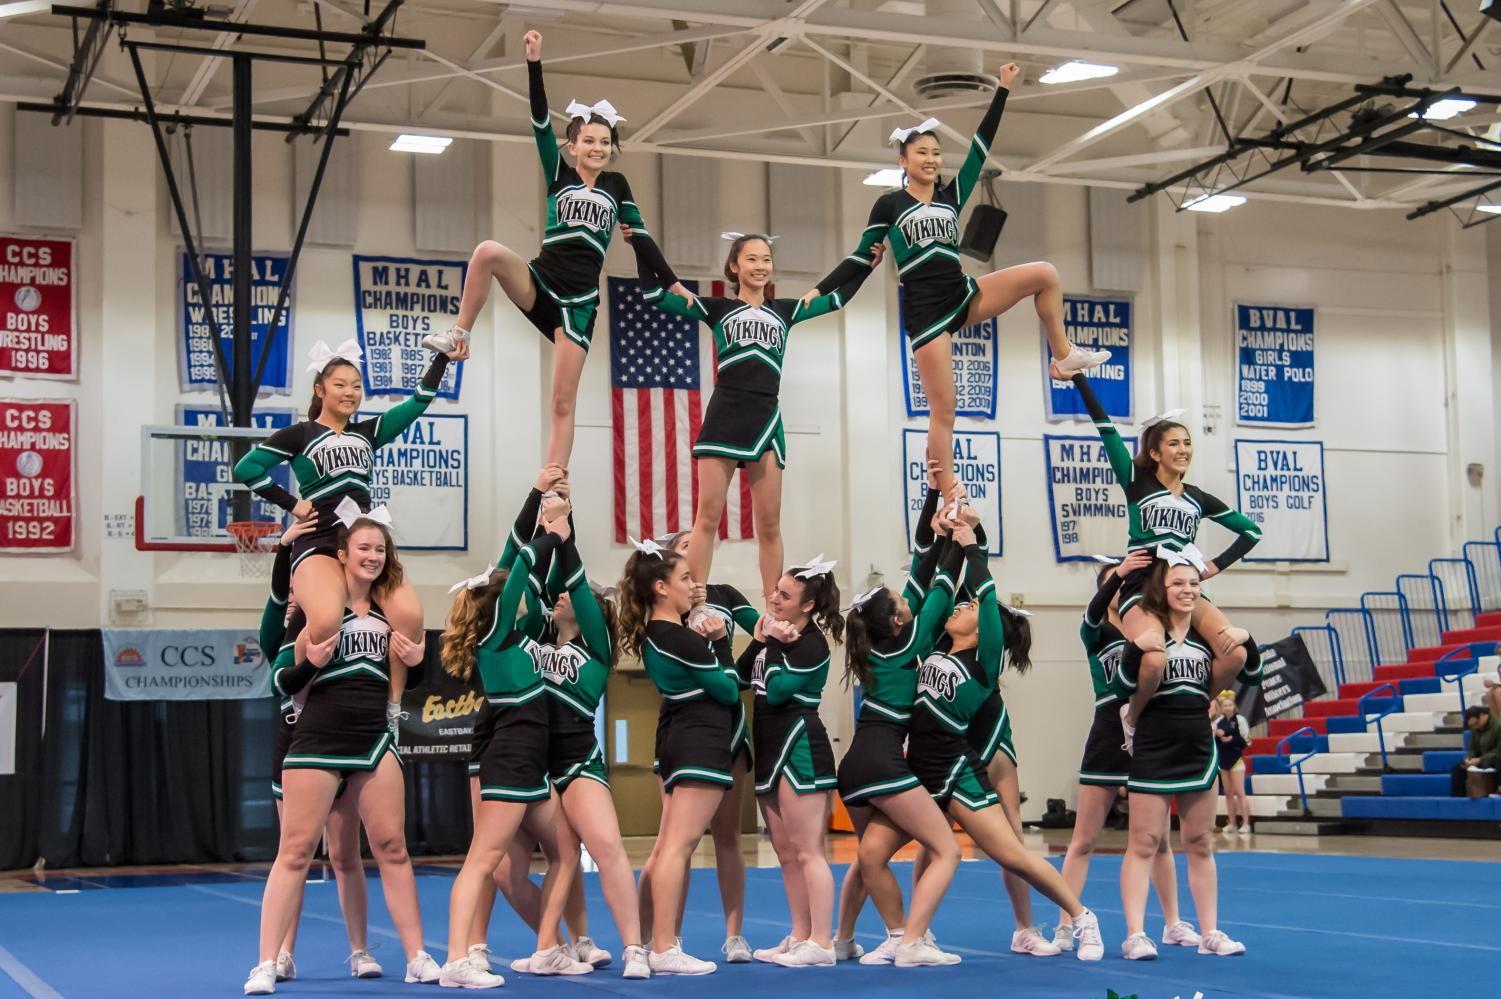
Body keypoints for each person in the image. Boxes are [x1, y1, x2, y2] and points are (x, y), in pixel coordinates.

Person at [817, 61, 1108, 507]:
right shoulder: (888, 204)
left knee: (1045, 274)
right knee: (944, 409)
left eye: (936, 153)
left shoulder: (952, 195)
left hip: (962, 294)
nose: (932, 160)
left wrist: (1004, 90)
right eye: (921, 153)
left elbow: (980, 145)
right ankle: (946, 487)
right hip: (926, 313)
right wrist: (819, 293)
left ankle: (1062, 356)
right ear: (903, 160)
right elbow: (860, 256)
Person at [426, 28, 687, 468]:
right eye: (589, 141)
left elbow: (639, 236)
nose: (598, 148)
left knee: (562, 404)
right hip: (541, 280)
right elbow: (539, 121)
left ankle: (554, 482)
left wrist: (673, 281)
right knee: (487, 251)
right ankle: (461, 333)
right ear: (574, 145)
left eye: (605, 142)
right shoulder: (557, 173)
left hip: (579, 304)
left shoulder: (616, 186)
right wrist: (534, 63)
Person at [246, 515, 437, 995]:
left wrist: (418, 666)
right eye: (364, 549)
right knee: (295, 852)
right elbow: (281, 682)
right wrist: (309, 661)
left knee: (392, 848)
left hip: (373, 738)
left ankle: (416, 955)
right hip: (318, 737)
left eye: (380, 550)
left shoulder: (389, 613)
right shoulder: (315, 612)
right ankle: (267, 961)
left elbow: (407, 679)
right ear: (343, 555)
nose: (372, 557)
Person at [904, 508, 1105, 961]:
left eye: (969, 607)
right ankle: (911, 933)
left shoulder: (984, 657)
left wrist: (971, 540)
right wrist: (952, 531)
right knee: (915, 846)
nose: (960, 606)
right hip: (928, 760)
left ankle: (1059, 921)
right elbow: (946, 583)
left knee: (1009, 845)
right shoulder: (939, 642)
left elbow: (983, 588)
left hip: (967, 753)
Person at [636, 233, 882, 600]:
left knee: (769, 524)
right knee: (707, 519)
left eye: (766, 259)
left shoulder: (784, 311)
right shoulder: (716, 309)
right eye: (751, 259)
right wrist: (638, 245)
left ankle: (774, 603)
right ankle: (695, 600)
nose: (760, 266)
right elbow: (654, 294)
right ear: (734, 266)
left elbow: (836, 298)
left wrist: (865, 266)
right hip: (725, 414)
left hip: (766, 416)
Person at [233, 339, 461, 711]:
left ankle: (392, 708)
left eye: (356, 386)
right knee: (324, 618)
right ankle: (300, 704)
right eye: (340, 384)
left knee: (410, 617)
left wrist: (441, 359)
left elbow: (418, 403)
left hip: (364, 540)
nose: (350, 393)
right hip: (319, 539)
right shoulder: (300, 435)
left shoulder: (368, 433)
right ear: (320, 390)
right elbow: (247, 468)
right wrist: (292, 504)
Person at [439, 478, 602, 988]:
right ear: (499, 610)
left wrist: (544, 508)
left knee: (565, 851)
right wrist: (552, 533)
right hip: (510, 758)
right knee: (483, 859)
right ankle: (456, 959)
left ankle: (549, 948)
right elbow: (521, 572)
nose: (530, 601)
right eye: (515, 598)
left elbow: (526, 570)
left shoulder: (522, 637)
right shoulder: (497, 635)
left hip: (532, 764)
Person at [1068, 373, 1262, 748]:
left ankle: (1194, 703)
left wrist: (1215, 566)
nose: (1183, 449)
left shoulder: (1198, 497)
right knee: (1153, 656)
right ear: (1155, 452)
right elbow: (1105, 427)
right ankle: (1134, 715)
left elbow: (1251, 532)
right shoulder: (1137, 483)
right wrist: (1078, 377)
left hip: (1183, 584)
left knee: (1234, 654)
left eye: (1187, 442)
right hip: (1142, 584)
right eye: (1173, 443)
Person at [833, 483, 966, 967]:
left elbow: (921, 562)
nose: (907, 595)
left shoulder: (881, 642)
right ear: (895, 619)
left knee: (871, 856)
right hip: (884, 759)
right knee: (947, 849)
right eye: (900, 600)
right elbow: (943, 582)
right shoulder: (909, 643)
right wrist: (961, 537)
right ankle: (910, 941)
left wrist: (933, 499)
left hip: (855, 765)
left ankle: (858, 939)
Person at [1112, 555, 1264, 961]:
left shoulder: (1204, 641)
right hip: (1155, 743)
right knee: (1144, 842)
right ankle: (1135, 933)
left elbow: (1250, 675)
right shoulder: (1151, 633)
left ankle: (1210, 930)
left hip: (1197, 744)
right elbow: (1124, 686)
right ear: (1162, 590)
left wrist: (1247, 639)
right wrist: (1133, 650)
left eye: (1194, 583)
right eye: (1178, 583)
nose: (1187, 590)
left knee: (1199, 841)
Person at [523, 501, 650, 978]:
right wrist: (544, 526)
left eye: (569, 596)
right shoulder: (539, 637)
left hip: (577, 761)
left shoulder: (596, 647)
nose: (558, 598)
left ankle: (635, 947)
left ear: (591, 610)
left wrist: (566, 534)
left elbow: (571, 579)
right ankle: (575, 942)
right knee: (560, 858)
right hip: (537, 762)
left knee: (606, 847)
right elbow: (537, 578)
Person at [1053, 553, 1199, 952]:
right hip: (1107, 730)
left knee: (1159, 841)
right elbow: (1093, 610)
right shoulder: (1096, 632)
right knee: (1083, 839)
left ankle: (1172, 922)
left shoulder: (1155, 627)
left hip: (1147, 729)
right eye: (1113, 584)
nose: (1119, 589)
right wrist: (1116, 573)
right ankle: (1066, 924)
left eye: (1127, 582)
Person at [259, 518, 380, 984]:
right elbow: (275, 616)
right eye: (297, 591)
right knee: (295, 851)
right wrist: (285, 551)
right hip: (297, 743)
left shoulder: (344, 616)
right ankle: (283, 952)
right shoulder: (288, 625)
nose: (303, 596)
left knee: (346, 853)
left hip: (343, 742)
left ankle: (360, 949)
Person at [619, 540, 741, 975]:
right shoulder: (675, 637)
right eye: (685, 578)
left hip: (683, 739)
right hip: (699, 741)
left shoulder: (666, 634)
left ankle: (645, 941)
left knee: (666, 847)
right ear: (660, 587)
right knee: (678, 846)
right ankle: (664, 946)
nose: (694, 585)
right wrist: (722, 643)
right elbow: (728, 689)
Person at [738, 558, 843, 967]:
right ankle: (800, 934)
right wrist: (762, 638)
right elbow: (740, 677)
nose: (774, 600)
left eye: (785, 595)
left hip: (799, 745)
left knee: (808, 850)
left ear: (809, 605)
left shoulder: (811, 643)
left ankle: (822, 941)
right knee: (785, 851)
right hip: (768, 744)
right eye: (774, 592)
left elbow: (779, 692)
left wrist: (778, 643)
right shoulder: (775, 637)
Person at [1215, 692, 1252, 834]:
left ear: (1234, 706)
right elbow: (1216, 741)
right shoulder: (1219, 722)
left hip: (1236, 759)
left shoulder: (1240, 720)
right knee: (1228, 793)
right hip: (1224, 760)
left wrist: (1232, 739)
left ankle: (1246, 823)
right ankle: (1232, 823)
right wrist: (1218, 736)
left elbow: (1246, 741)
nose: (1228, 708)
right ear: (1222, 708)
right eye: (1225, 705)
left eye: (1230, 705)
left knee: (1239, 792)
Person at [1452, 705, 1501, 797]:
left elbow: (1499, 750)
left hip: (1494, 759)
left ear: (1483, 715)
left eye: (1477, 723)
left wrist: (1480, 760)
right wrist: (1468, 758)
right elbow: (1472, 749)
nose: (1475, 727)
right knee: (1458, 768)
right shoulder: (1476, 729)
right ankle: (1458, 798)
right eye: (1472, 726)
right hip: (1481, 761)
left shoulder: (1498, 726)